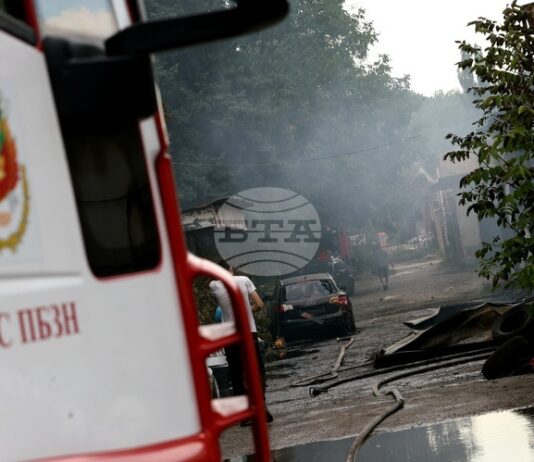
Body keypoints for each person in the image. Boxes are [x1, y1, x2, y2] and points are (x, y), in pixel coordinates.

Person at [209, 261, 273, 424]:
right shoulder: (244, 280)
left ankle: (244, 414)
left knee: (236, 373)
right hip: (248, 333)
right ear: (231, 268)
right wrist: (246, 310)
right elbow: (259, 304)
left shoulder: (214, 286)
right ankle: (262, 405)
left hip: (230, 336)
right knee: (256, 370)